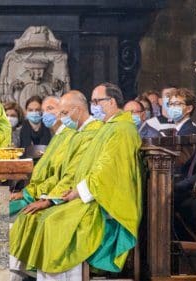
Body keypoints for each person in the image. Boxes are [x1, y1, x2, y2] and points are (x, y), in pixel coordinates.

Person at [10, 83, 142, 279]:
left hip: (102, 200)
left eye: (97, 101)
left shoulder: (121, 129)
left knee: (52, 221)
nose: (93, 105)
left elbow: (106, 170)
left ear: (112, 102)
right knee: (37, 217)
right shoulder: (109, 128)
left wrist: (74, 193)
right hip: (86, 192)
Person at [9, 93, 81, 216]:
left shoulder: (69, 136)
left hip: (47, 195)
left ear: (64, 110)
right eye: (44, 110)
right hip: (36, 191)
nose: (46, 113)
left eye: (50, 108)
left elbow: (58, 175)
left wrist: (31, 195)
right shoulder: (59, 136)